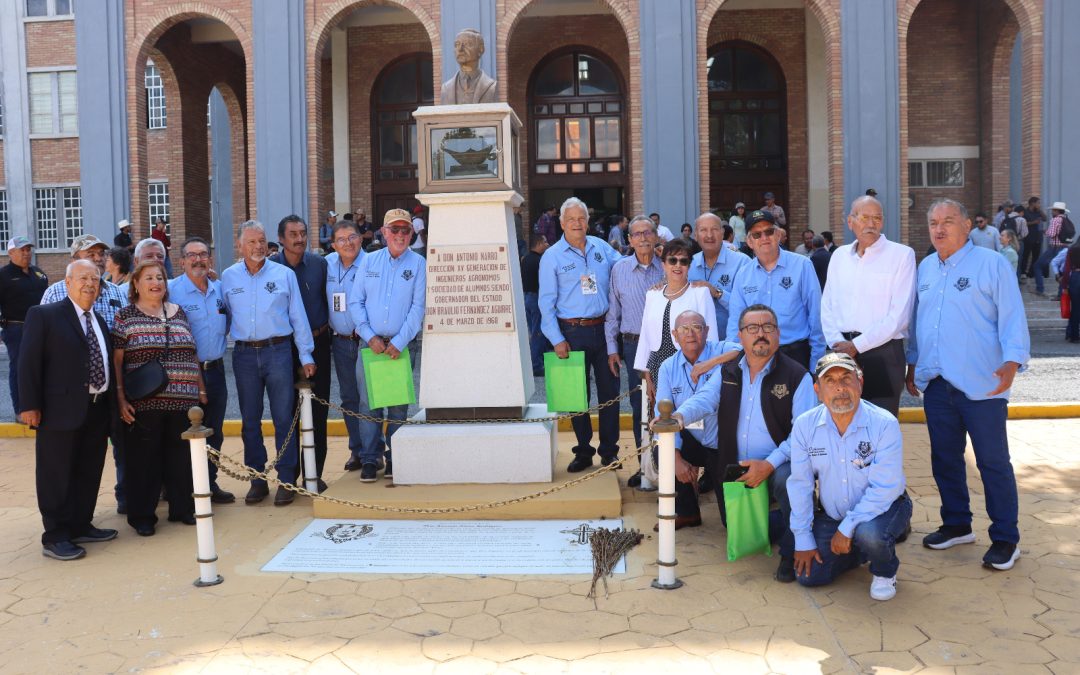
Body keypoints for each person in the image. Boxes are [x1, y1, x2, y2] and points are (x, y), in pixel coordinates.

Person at [906, 198, 1030, 570]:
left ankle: (1006, 538)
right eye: (933, 222)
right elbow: (919, 321)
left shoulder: (991, 264)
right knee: (945, 458)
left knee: (993, 462)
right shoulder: (926, 267)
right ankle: (957, 524)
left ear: (966, 225)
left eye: (947, 221)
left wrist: (1012, 361)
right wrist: (913, 364)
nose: (939, 229)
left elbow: (1012, 315)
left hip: (983, 384)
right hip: (937, 382)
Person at [671, 304, 816, 582]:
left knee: (788, 480)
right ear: (740, 336)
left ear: (778, 333)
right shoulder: (728, 371)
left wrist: (769, 464)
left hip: (779, 464)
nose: (760, 333)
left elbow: (803, 437)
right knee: (736, 528)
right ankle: (804, 517)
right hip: (735, 467)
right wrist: (679, 417)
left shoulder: (797, 377)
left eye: (767, 327)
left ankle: (791, 547)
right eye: (752, 328)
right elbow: (705, 399)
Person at [787, 352, 912, 600]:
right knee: (809, 576)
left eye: (847, 378)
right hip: (833, 515)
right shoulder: (804, 425)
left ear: (860, 383)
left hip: (884, 508)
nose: (840, 388)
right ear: (817, 390)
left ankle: (884, 570)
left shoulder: (884, 423)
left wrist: (847, 528)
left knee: (870, 535)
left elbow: (885, 488)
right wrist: (802, 538)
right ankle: (859, 550)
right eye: (830, 381)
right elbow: (801, 484)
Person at [18, 259, 118, 560]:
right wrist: (29, 405)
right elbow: (28, 362)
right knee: (56, 473)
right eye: (83, 278)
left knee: (88, 470)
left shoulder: (99, 320)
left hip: (96, 409)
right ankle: (56, 536)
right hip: (58, 410)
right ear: (68, 282)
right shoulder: (44, 315)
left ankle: (80, 524)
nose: (90, 284)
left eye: (95, 279)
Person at [221, 220, 316, 507]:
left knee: (283, 418)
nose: (258, 246)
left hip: (278, 352)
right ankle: (257, 479)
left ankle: (287, 479)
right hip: (244, 355)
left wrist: (306, 355)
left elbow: (298, 316)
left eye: (261, 240)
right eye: (251, 241)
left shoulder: (284, 275)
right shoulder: (227, 277)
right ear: (239, 245)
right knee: (250, 420)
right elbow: (222, 316)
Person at [112, 260, 205, 536]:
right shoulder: (125, 316)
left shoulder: (179, 312)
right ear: (136, 284)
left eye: (160, 278)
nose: (156, 283)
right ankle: (142, 517)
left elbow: (192, 353)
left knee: (181, 459)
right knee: (144, 461)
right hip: (145, 403)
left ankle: (182, 508)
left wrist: (200, 389)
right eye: (149, 278)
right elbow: (117, 362)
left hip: (184, 402)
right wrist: (120, 398)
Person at [40, 234, 128, 511]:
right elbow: (39, 350)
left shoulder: (115, 292)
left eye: (101, 254)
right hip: (66, 397)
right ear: (74, 260)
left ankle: (85, 520)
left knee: (93, 462)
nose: (98, 258)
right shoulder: (55, 293)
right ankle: (58, 527)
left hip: (103, 393)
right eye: (91, 254)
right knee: (62, 464)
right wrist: (31, 403)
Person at [539, 197, 623, 472]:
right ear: (562, 223)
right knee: (577, 396)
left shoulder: (601, 247)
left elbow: (624, 267)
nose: (577, 223)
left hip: (604, 331)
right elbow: (545, 303)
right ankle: (584, 451)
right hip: (571, 333)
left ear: (588, 221)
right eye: (571, 219)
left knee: (610, 393)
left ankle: (609, 451)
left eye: (581, 218)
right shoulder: (552, 256)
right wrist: (556, 339)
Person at [348, 208, 427, 481]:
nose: (400, 235)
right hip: (370, 345)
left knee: (397, 406)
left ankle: (396, 457)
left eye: (405, 230)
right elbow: (355, 302)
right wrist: (369, 336)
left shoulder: (418, 264)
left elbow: (418, 308)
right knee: (368, 404)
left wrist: (400, 341)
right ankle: (371, 458)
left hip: (401, 347)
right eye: (395, 229)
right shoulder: (369, 261)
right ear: (384, 232)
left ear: (412, 233)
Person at [821, 195, 916, 416]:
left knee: (880, 422)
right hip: (842, 351)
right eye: (864, 217)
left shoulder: (901, 255)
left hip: (883, 354)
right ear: (850, 221)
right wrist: (838, 343)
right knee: (842, 421)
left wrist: (856, 345)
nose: (871, 224)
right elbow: (827, 306)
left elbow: (899, 316)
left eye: (877, 218)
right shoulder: (839, 256)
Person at [653, 310, 741, 528]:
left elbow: (744, 350)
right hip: (691, 438)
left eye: (697, 327)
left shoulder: (720, 349)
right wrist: (676, 460)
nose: (690, 333)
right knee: (662, 451)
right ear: (675, 334)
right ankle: (687, 512)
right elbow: (662, 414)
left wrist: (709, 364)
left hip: (722, 443)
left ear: (707, 331)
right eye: (684, 329)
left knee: (732, 523)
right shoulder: (667, 367)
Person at [168, 237, 235, 504]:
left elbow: (228, 323)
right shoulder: (171, 291)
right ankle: (183, 490)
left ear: (211, 259)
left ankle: (209, 483)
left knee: (214, 431)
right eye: (192, 255)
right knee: (184, 432)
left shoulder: (220, 289)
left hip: (216, 371)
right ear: (181, 262)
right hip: (184, 374)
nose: (198, 260)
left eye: (203, 254)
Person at [271, 215, 331, 489]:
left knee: (318, 410)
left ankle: (313, 475)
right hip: (284, 348)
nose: (300, 239)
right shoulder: (271, 269)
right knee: (287, 412)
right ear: (281, 238)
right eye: (293, 234)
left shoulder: (320, 265)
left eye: (303, 233)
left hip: (318, 345)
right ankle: (289, 477)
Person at [726, 209, 825, 370]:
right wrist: (733, 365)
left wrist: (816, 364)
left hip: (796, 355)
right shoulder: (743, 275)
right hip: (756, 356)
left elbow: (816, 316)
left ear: (778, 234)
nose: (764, 238)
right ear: (749, 242)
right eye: (757, 234)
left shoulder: (802, 266)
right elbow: (735, 323)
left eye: (769, 232)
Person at [605, 215, 663, 486]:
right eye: (637, 234)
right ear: (629, 239)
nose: (643, 238)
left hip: (664, 346)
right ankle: (644, 467)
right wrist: (612, 349)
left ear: (656, 236)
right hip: (632, 345)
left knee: (665, 403)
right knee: (639, 405)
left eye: (647, 232)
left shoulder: (668, 266)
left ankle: (667, 467)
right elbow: (612, 313)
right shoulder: (619, 269)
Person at [635, 241, 718, 394]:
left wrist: (708, 370)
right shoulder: (652, 294)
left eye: (683, 261)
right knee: (660, 408)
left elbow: (711, 336)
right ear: (663, 264)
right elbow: (646, 335)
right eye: (672, 260)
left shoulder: (701, 293)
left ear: (689, 266)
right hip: (657, 366)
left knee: (690, 408)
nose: (678, 265)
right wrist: (646, 372)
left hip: (691, 366)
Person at [325, 220, 370, 475]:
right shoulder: (327, 264)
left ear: (360, 238)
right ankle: (357, 450)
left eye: (352, 237)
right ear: (333, 245)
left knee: (370, 399)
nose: (347, 243)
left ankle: (374, 451)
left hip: (367, 342)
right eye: (341, 239)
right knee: (349, 398)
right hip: (340, 341)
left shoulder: (372, 264)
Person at [0, 236, 49, 416]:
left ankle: (40, 406)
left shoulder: (39, 273)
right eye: (22, 250)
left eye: (28, 249)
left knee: (42, 367)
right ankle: (21, 410)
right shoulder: (3, 275)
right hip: (16, 329)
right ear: (11, 253)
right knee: (20, 369)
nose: (27, 253)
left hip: (41, 328)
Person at [687, 212, 750, 340]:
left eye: (714, 229)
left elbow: (750, 307)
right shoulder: (688, 264)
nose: (709, 235)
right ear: (696, 235)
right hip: (696, 344)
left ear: (722, 233)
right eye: (703, 230)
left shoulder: (742, 263)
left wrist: (718, 293)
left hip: (733, 344)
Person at [440, 28, 498, 104]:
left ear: (481, 49)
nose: (460, 49)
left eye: (467, 44)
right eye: (457, 45)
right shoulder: (446, 89)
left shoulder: (491, 86)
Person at [522, 233, 551, 377]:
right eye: (545, 242)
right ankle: (536, 365)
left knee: (534, 332)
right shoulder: (540, 261)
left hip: (526, 298)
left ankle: (540, 360)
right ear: (539, 243)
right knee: (538, 333)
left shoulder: (525, 259)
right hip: (536, 299)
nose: (547, 244)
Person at [1034, 202, 1072, 297]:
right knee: (1061, 270)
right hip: (1065, 247)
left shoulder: (1055, 220)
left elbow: (1051, 234)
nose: (1052, 212)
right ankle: (1060, 294)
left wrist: (1045, 231)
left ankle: (1040, 289)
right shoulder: (1065, 219)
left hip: (1055, 247)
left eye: (1053, 210)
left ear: (1056, 211)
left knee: (1037, 266)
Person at [1020, 196, 1046, 279]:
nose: (1039, 204)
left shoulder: (1038, 212)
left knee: (1036, 256)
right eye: (1038, 203)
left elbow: (1045, 219)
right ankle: (1023, 272)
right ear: (1032, 203)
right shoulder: (1025, 212)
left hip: (1038, 237)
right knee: (1026, 255)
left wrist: (1040, 210)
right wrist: (1033, 222)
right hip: (1028, 237)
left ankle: (1031, 273)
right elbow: (1023, 223)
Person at [1065, 245, 1080, 343]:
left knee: (1075, 308)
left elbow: (1067, 268)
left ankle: (1074, 335)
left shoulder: (1072, 249)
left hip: (1075, 277)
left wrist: (1064, 285)